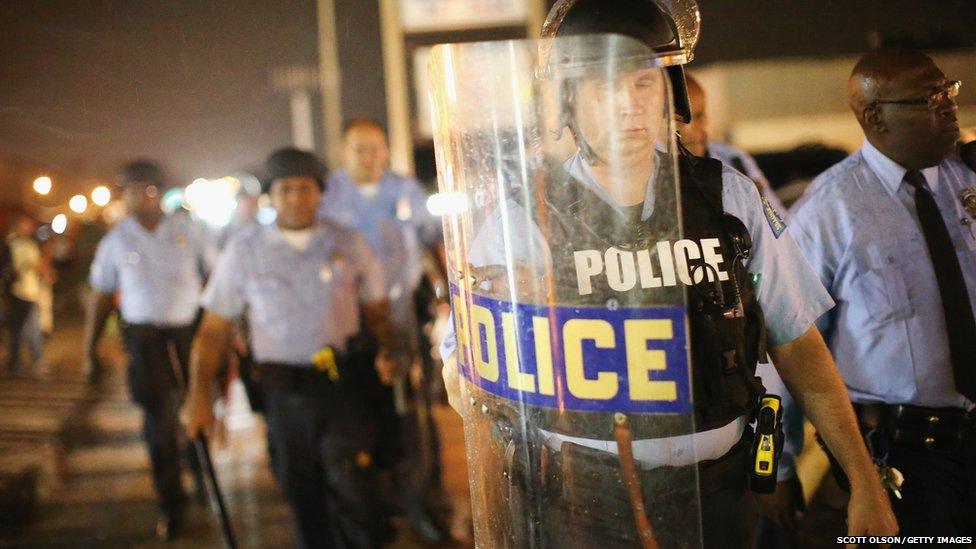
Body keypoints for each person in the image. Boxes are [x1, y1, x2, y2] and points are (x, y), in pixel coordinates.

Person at [436, 0, 897, 547]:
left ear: (669, 90)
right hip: (587, 507)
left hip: (723, 495)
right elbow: (467, 384)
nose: (628, 106)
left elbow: (798, 344)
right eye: (603, 88)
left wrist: (863, 480)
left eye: (643, 83)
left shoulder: (726, 196)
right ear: (568, 101)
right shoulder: (527, 216)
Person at [790, 49, 976, 537]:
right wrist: (783, 465)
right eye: (929, 97)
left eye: (948, 91)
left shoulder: (968, 179)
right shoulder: (829, 212)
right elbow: (790, 343)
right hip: (901, 452)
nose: (948, 106)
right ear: (875, 116)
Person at [182, 148, 402, 548]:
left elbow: (377, 311)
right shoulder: (245, 251)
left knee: (356, 488)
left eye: (306, 188)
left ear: (320, 193)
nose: (297, 198)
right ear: (272, 196)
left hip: (343, 387)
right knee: (302, 496)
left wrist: (389, 350)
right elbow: (214, 330)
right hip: (283, 396)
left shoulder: (347, 243)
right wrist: (198, 395)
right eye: (286, 189)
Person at [677, 74, 806, 546]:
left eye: (701, 113)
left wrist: (777, 463)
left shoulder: (733, 175)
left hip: (745, 419)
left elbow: (787, 327)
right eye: (679, 112)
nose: (692, 127)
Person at [318, 116, 447, 540]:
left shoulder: (405, 189)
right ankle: (379, 507)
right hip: (352, 323)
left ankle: (425, 508)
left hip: (403, 317)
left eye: (377, 147)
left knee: (414, 416)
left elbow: (434, 239)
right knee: (363, 417)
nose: (369, 156)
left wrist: (449, 291)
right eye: (359, 148)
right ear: (343, 152)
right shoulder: (327, 195)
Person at [83, 159, 208, 539]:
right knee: (159, 423)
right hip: (144, 338)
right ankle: (172, 502)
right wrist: (90, 348)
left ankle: (203, 477)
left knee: (196, 409)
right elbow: (101, 295)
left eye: (151, 190)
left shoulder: (189, 231)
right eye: (135, 190)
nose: (144, 197)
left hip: (188, 334)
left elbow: (216, 280)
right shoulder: (116, 241)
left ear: (161, 193)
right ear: (126, 195)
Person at [678, 74, 788, 214]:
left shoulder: (734, 159)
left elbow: (776, 219)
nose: (702, 128)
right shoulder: (649, 173)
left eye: (701, 116)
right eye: (693, 118)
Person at [5, 215, 45, 375]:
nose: (29, 229)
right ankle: (29, 358)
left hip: (25, 290)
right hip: (22, 291)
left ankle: (18, 359)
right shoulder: (18, 245)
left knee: (23, 327)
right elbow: (38, 266)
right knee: (24, 327)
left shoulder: (16, 244)